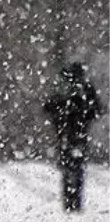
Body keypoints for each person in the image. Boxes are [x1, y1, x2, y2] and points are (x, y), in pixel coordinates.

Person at [44, 61, 102, 212]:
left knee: (68, 166)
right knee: (76, 167)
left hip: (65, 133)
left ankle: (69, 201)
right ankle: (74, 200)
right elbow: (96, 110)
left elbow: (48, 107)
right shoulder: (84, 89)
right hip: (78, 133)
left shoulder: (63, 89)